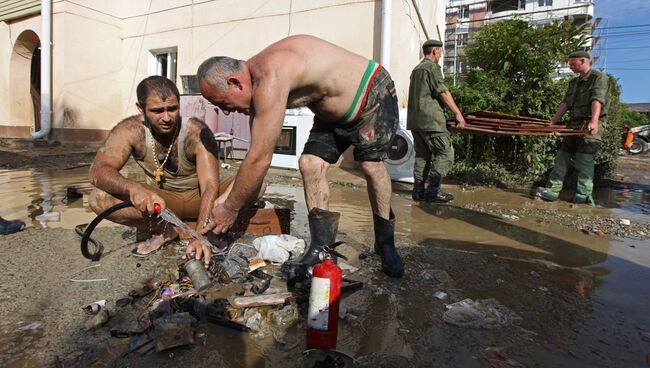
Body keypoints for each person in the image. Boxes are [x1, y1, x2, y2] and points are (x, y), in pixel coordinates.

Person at [196, 35, 404, 277]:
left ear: (235, 83)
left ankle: (386, 244)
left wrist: (231, 209)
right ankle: (322, 248)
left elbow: (260, 159)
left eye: (223, 102)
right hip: (330, 114)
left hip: (370, 93)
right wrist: (228, 199)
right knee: (309, 164)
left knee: (371, 165)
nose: (226, 111)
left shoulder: (269, 77)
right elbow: (253, 156)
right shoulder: (256, 83)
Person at [88, 76, 264, 267]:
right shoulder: (129, 130)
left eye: (172, 109)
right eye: (157, 111)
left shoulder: (196, 131)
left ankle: (200, 231)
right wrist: (133, 189)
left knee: (258, 184)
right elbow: (98, 171)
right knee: (98, 198)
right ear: (141, 108)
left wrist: (202, 236)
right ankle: (167, 231)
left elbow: (210, 186)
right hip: (162, 203)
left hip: (202, 199)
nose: (166, 117)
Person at [532, 51, 611, 206]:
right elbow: (565, 103)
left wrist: (594, 121)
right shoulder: (573, 83)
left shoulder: (599, 78)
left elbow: (597, 99)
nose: (570, 67)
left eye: (572, 64)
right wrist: (554, 121)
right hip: (573, 124)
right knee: (562, 156)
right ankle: (552, 190)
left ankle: (583, 194)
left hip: (589, 124)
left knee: (585, 160)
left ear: (583, 61)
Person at [407, 39, 465, 202]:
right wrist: (458, 113)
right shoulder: (432, 68)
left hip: (415, 121)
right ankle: (433, 190)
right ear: (434, 51)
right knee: (445, 153)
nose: (441, 55)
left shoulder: (416, 69)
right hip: (431, 121)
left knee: (422, 155)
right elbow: (443, 92)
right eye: (440, 52)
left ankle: (418, 191)